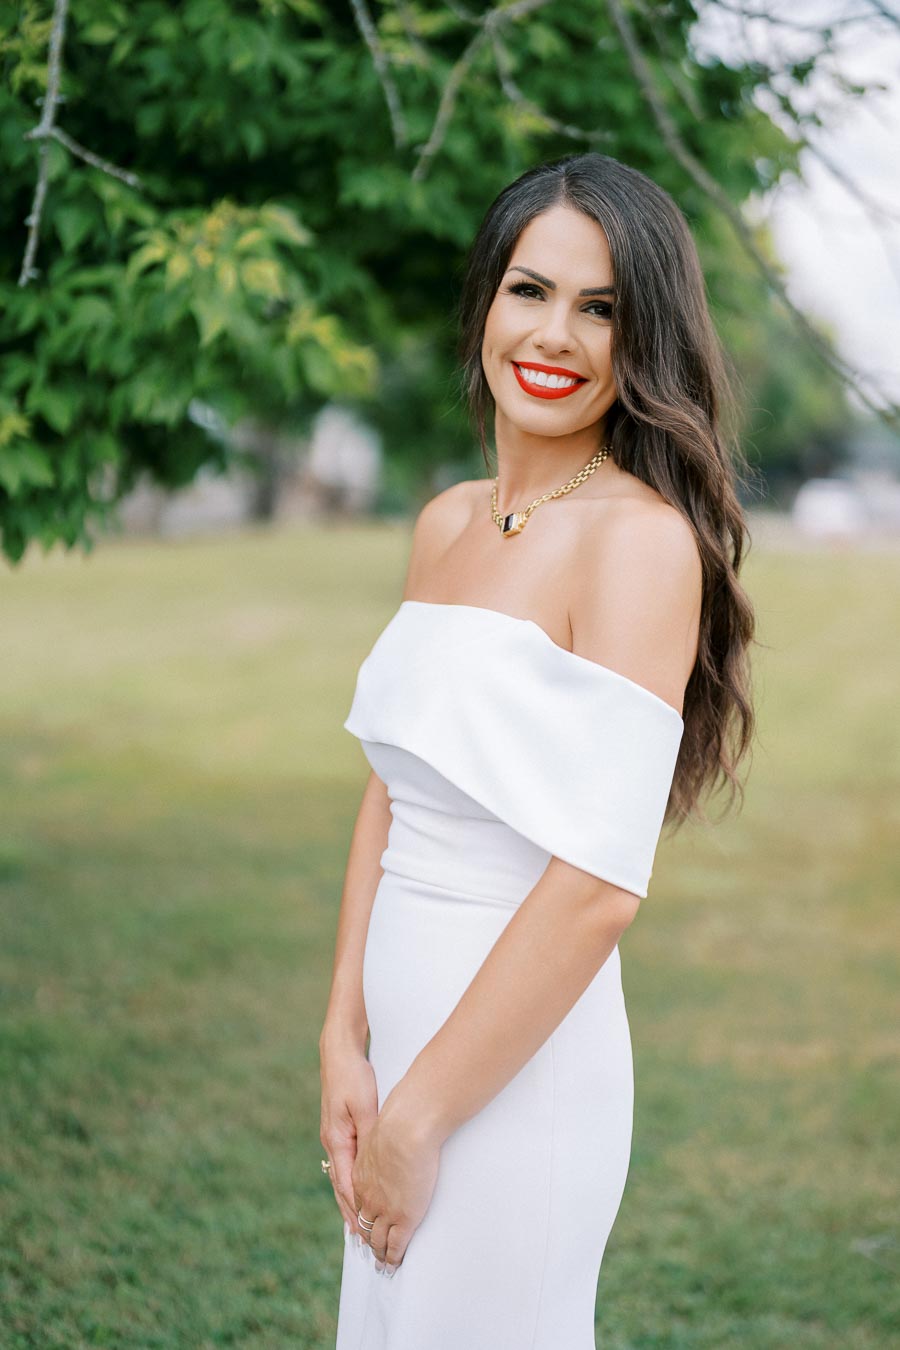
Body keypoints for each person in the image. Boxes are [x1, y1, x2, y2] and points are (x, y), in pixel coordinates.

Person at [319, 151, 756, 1349]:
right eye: (530, 289)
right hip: (398, 1059)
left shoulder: (638, 543)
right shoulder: (447, 520)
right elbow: (391, 789)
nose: (555, 334)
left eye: (600, 307)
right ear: (486, 300)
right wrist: (344, 1037)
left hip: (512, 1086)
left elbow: (600, 887)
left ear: (644, 339)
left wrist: (423, 1118)